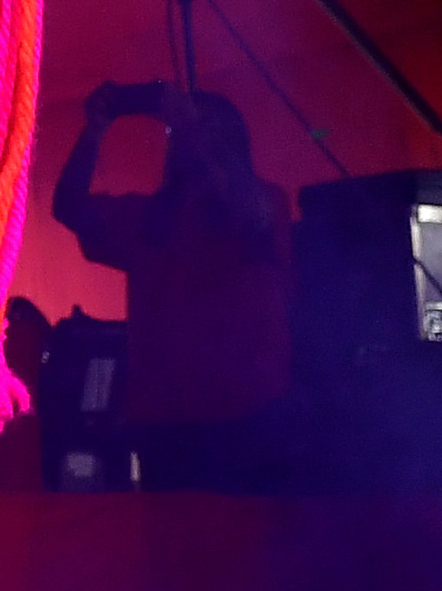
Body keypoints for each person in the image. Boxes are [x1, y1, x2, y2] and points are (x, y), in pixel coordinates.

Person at [49, 85, 294, 491]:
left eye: (205, 130)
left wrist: (193, 127)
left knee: (252, 544)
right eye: (181, 131)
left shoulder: (263, 202)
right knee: (179, 545)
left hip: (249, 414)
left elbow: (252, 214)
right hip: (169, 421)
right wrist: (93, 132)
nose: (189, 139)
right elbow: (69, 206)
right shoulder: (151, 218)